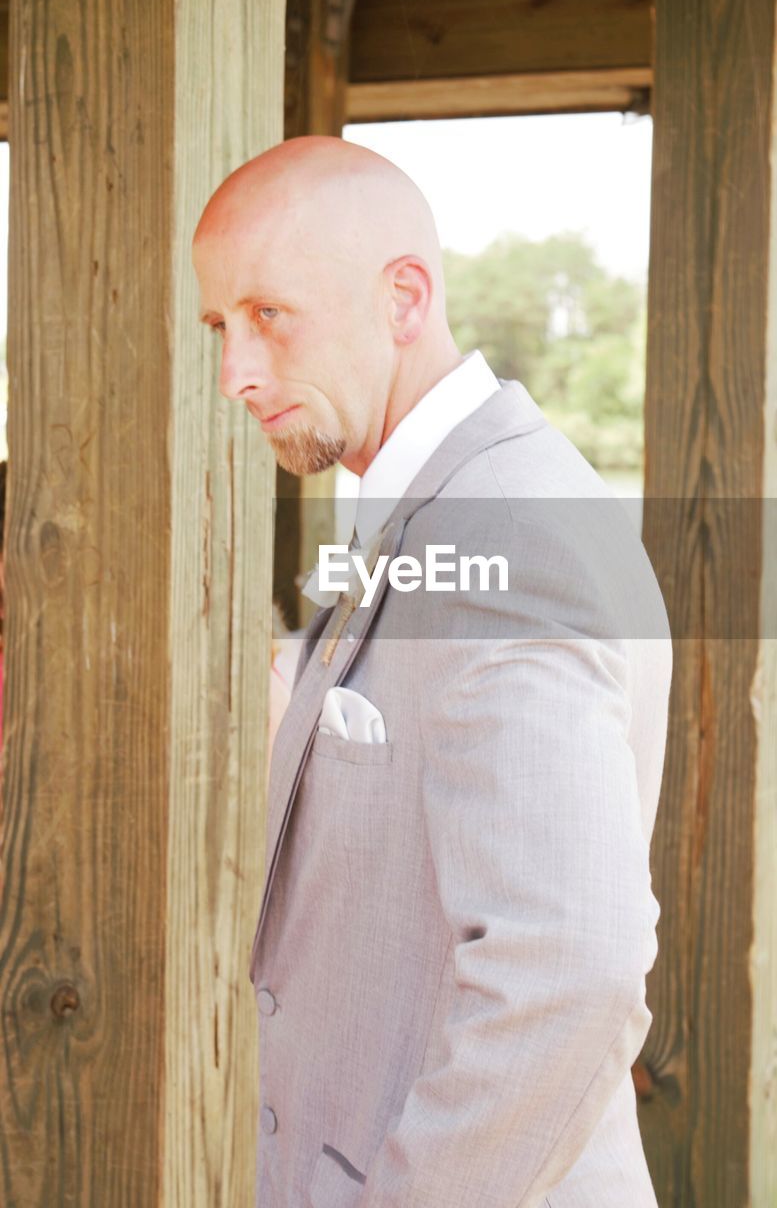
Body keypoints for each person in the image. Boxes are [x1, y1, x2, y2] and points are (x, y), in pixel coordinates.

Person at [192, 136, 672, 1208]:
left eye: (270, 314)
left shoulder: (508, 531)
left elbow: (569, 970)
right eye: (222, 327)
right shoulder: (424, 510)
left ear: (404, 297)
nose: (236, 373)